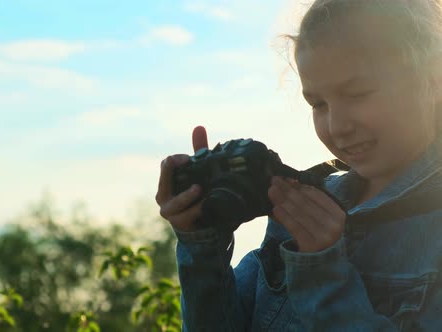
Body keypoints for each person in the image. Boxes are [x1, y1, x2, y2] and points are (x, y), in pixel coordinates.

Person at [155, 0, 442, 330]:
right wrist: (202, 243)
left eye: (358, 93)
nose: (336, 126)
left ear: (433, 80)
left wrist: (322, 273)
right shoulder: (301, 203)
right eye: (318, 104)